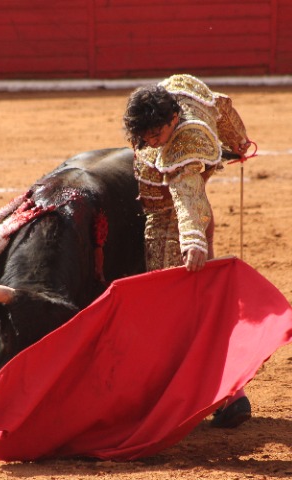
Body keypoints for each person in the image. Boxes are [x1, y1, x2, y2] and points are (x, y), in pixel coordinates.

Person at [123, 73, 252, 428]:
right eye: (146, 136)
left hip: (170, 223)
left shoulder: (185, 141)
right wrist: (239, 142)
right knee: (201, 303)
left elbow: (187, 193)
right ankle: (232, 393)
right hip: (191, 214)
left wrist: (192, 239)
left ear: (174, 118)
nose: (152, 141)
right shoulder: (180, 89)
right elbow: (221, 105)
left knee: (172, 310)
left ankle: (220, 395)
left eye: (158, 134)